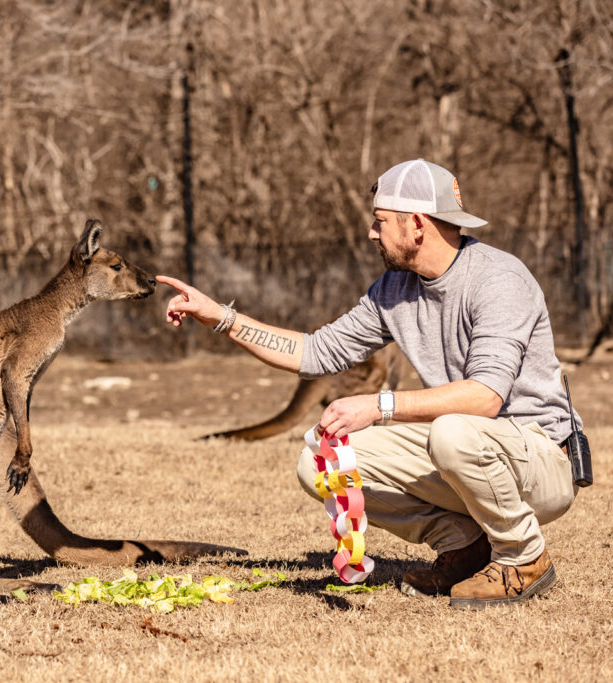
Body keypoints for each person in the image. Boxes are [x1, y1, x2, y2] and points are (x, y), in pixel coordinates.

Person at [158, 158, 579, 609]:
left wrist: (379, 405)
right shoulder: (395, 288)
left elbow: (485, 396)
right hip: (469, 447)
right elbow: (315, 352)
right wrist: (221, 317)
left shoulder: (498, 280)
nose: (371, 232)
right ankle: (465, 547)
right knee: (320, 463)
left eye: (380, 222)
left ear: (416, 224)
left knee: (452, 430)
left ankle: (523, 555)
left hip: (541, 459)